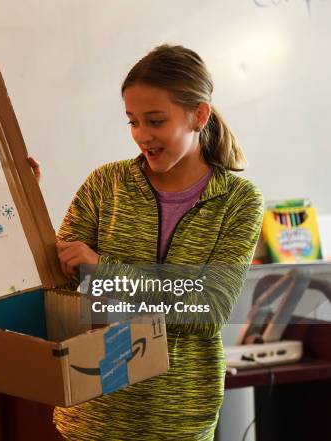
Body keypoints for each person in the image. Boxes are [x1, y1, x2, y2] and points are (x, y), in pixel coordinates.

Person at [51, 45, 264, 440]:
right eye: (132, 122)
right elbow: (58, 287)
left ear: (199, 115)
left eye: (155, 121)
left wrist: (105, 273)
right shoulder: (104, 185)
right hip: (92, 417)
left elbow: (208, 308)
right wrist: (21, 208)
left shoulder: (239, 201)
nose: (142, 136)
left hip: (178, 423)